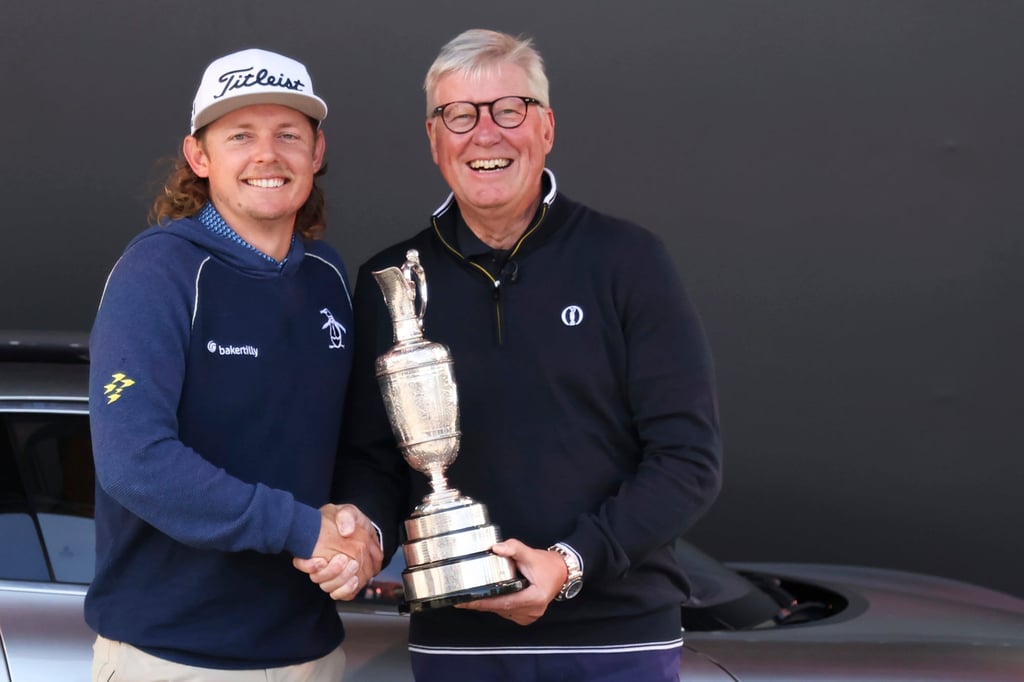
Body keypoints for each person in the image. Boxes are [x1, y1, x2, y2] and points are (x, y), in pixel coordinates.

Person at [301, 29, 723, 681]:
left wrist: (572, 560)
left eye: (509, 110)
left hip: (616, 645)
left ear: (546, 127)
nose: (485, 134)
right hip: (457, 644)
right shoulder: (391, 280)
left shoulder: (629, 261)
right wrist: (364, 535)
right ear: (434, 139)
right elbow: (371, 460)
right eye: (459, 116)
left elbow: (688, 460)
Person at [86, 48, 382, 681]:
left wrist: (364, 533)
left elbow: (358, 446)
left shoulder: (328, 276)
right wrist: (302, 529)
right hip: (170, 658)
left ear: (317, 151)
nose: (267, 155)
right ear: (200, 157)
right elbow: (133, 461)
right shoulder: (158, 272)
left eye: (288, 135)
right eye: (240, 135)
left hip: (310, 653)